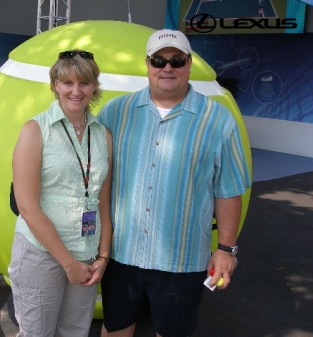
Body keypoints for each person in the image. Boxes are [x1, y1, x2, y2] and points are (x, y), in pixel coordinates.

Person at [97, 29, 251, 337]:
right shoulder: (114, 113)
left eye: (177, 60)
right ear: (148, 65)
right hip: (121, 254)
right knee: (115, 328)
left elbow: (229, 190)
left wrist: (225, 250)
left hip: (181, 261)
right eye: (159, 60)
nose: (167, 68)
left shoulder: (217, 119)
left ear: (189, 64)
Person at [8, 49, 113, 337]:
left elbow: (103, 203)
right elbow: (27, 208)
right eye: (67, 83)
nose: (76, 91)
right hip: (42, 255)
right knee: (37, 334)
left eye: (84, 83)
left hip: (88, 255)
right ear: (55, 84)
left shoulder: (102, 135)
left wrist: (102, 257)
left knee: (75, 333)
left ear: (94, 86)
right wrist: (68, 263)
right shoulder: (35, 130)